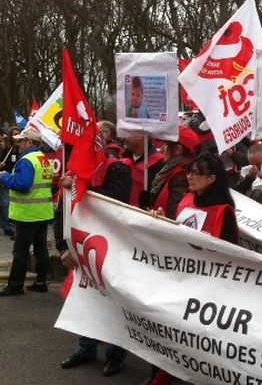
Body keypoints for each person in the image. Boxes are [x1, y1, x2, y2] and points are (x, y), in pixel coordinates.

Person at [145, 152, 239, 385]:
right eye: (189, 171)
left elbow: (231, 254)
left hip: (205, 288)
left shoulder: (223, 212)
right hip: (178, 278)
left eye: (196, 173)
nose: (189, 176)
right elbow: (176, 232)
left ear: (212, 178)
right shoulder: (185, 199)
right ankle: (159, 373)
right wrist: (160, 221)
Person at [58, 139, 132, 377]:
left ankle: (115, 354)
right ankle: (85, 347)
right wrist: (62, 248)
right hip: (81, 249)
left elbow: (116, 200)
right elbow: (61, 212)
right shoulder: (72, 175)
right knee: (85, 299)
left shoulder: (118, 169)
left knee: (114, 301)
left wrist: (78, 186)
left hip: (114, 248)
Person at [0, 126, 54, 296]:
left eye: (21, 141)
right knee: (40, 249)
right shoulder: (43, 159)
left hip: (27, 214)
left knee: (20, 252)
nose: (19, 144)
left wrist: (5, 176)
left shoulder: (26, 160)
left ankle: (15, 286)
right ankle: (40, 282)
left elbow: (22, 185)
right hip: (42, 212)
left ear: (29, 141)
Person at [148, 125, 199, 219]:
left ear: (177, 150)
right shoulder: (174, 170)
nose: (162, 148)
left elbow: (175, 217)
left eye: (166, 145)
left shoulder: (182, 176)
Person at [121, 134, 165, 208]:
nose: (124, 137)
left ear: (140, 136)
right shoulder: (123, 157)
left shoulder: (159, 163)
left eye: (128, 133)